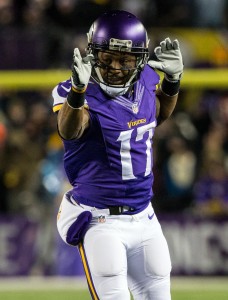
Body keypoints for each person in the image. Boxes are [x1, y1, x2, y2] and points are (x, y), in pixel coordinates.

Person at [52, 10, 183, 300]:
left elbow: (157, 113)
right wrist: (77, 91)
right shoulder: (74, 90)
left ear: (140, 59)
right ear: (92, 53)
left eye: (125, 59)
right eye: (107, 57)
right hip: (101, 221)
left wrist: (172, 82)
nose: (115, 67)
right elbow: (71, 130)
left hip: (144, 215)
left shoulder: (148, 78)